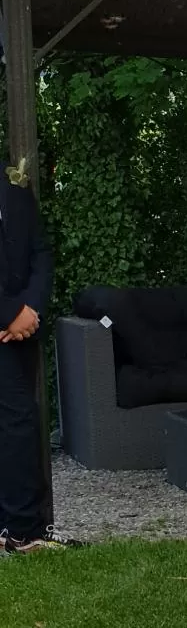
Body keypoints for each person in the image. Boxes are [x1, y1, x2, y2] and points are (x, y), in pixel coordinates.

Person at [0, 169, 57, 555]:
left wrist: (30, 310)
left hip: (15, 332)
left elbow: (41, 254)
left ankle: (22, 531)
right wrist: (8, 314)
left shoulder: (16, 194)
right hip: (6, 325)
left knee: (20, 425)